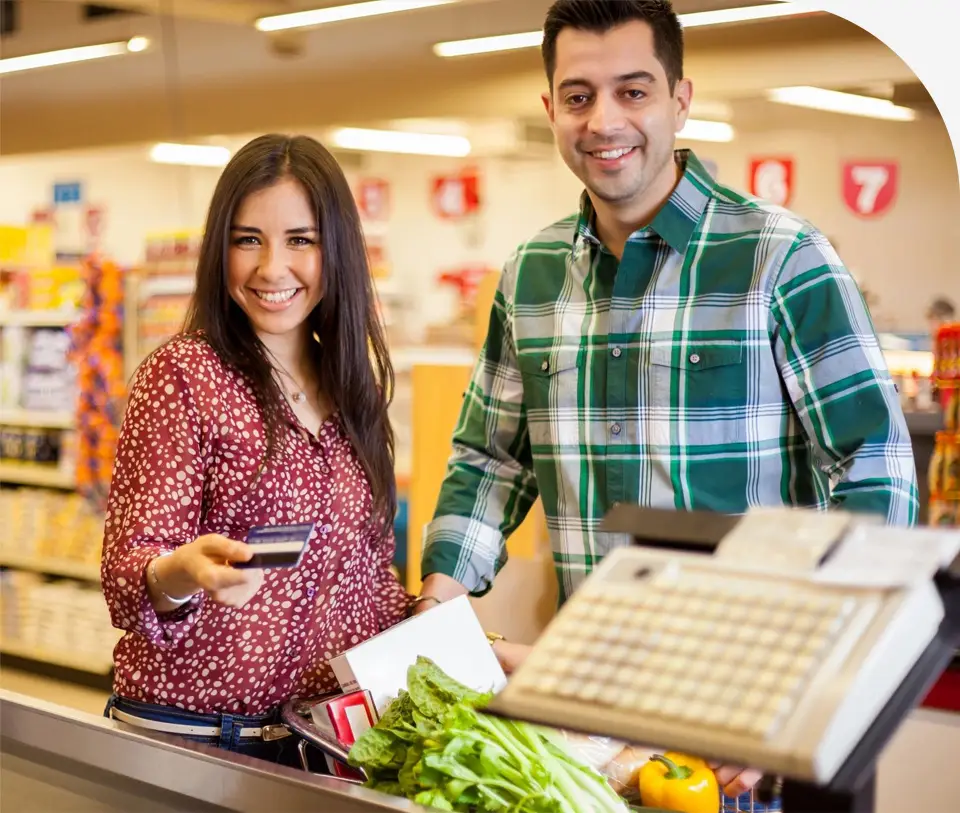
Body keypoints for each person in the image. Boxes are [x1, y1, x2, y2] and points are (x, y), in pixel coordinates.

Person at [413, 0, 919, 804]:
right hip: (594, 719)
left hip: (746, 723)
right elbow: (490, 457)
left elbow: (875, 468)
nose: (604, 119)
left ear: (681, 99)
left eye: (633, 91)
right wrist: (439, 597)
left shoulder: (780, 257)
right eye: (578, 96)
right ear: (551, 109)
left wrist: (816, 679)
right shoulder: (530, 275)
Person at [100, 134, 411, 766]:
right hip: (188, 740)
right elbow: (126, 581)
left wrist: (466, 638)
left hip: (317, 745)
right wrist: (181, 572)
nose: (272, 268)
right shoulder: (182, 375)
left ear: (338, 249)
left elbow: (368, 587)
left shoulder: (353, 386)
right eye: (248, 240)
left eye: (301, 239)